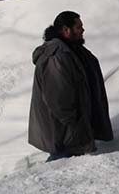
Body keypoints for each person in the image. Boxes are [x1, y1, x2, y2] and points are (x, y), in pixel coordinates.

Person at [29, 11, 114, 162]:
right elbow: (58, 98)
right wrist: (75, 127)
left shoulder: (74, 51)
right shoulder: (57, 56)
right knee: (58, 173)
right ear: (65, 30)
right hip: (65, 135)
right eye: (78, 27)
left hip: (73, 131)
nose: (82, 30)